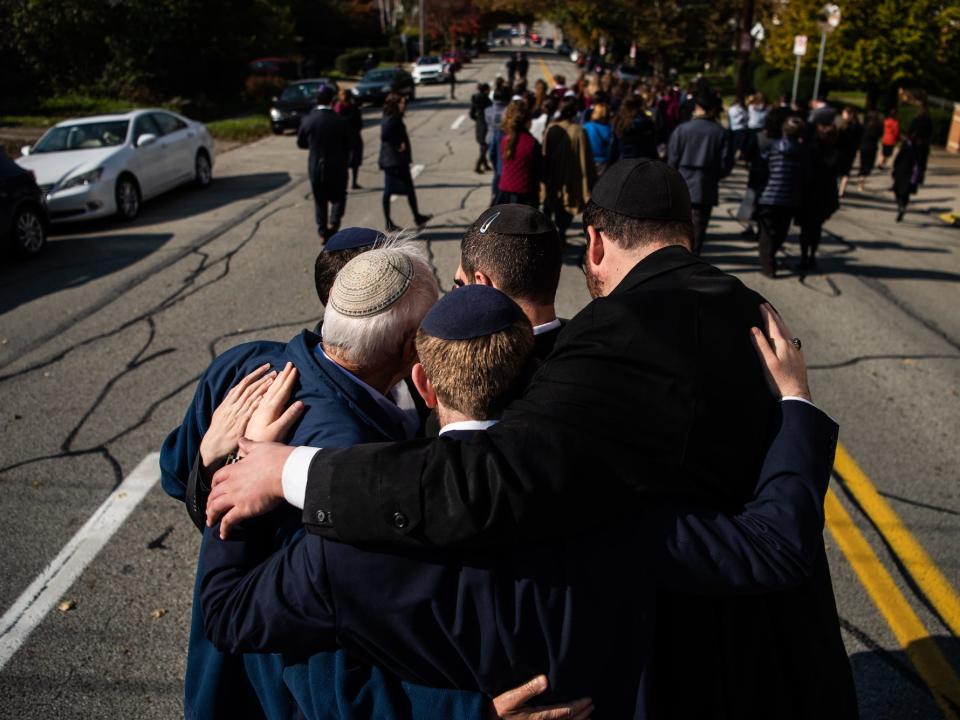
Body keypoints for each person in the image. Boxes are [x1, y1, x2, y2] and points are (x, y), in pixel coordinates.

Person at [206, 159, 856, 720]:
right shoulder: (615, 519)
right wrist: (796, 404)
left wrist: (254, 468)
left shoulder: (345, 544)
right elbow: (770, 547)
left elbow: (237, 618)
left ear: (423, 383)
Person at [160, 235, 495, 720]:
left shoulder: (245, 365)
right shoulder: (353, 464)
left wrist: (212, 464)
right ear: (410, 346)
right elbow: (331, 638)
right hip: (274, 692)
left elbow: (175, 473)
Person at [453, 204, 565, 360]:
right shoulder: (588, 344)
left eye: (459, 285)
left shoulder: (481, 369)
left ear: (482, 286)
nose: (454, 296)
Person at [667, 90, 734, 253]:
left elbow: (672, 160)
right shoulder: (721, 132)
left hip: (682, 181)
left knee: (677, 225)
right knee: (699, 228)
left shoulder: (682, 130)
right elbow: (726, 163)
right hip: (706, 183)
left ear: (697, 107)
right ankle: (693, 259)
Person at [297, 83, 350, 242]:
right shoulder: (339, 120)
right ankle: (334, 223)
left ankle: (322, 230)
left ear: (317, 99)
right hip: (337, 165)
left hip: (315, 166)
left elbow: (301, 143)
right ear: (332, 100)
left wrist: (314, 145)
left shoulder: (308, 119)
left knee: (320, 200)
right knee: (339, 196)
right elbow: (349, 143)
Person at [755, 116, 808, 277]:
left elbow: (761, 170)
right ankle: (771, 256)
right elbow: (806, 176)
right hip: (789, 198)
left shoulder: (771, 147)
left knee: (766, 231)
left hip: (768, 196)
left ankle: (768, 264)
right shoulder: (803, 151)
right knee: (781, 231)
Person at [541, 98, 596, 240]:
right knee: (567, 209)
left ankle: (551, 235)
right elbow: (587, 158)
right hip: (572, 177)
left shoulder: (552, 129)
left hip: (553, 177)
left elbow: (544, 154)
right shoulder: (579, 131)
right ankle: (561, 234)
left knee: (551, 205)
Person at [379, 92, 431, 231]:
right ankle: (391, 223)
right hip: (394, 162)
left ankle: (416, 217)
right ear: (395, 104)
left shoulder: (391, 117)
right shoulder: (392, 119)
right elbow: (385, 135)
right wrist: (398, 144)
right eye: (402, 103)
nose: (404, 106)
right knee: (391, 192)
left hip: (393, 161)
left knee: (401, 191)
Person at [797, 107, 840, 271]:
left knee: (806, 230)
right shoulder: (833, 151)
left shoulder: (812, 148)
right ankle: (811, 256)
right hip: (824, 196)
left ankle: (804, 257)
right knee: (815, 229)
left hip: (810, 194)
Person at [495, 101, 541, 207]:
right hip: (525, 193)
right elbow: (538, 170)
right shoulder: (531, 142)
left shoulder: (505, 139)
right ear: (527, 122)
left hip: (504, 190)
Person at [608, 94, 658, 163]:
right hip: (643, 163)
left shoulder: (618, 122)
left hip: (623, 163)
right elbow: (652, 147)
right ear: (640, 106)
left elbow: (613, 147)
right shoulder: (646, 122)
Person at [485, 86, 512, 202]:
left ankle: (494, 194)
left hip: (491, 139)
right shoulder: (507, 112)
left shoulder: (487, 110)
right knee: (504, 170)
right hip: (504, 140)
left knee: (496, 172)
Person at [334, 88, 363, 190]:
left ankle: (353, 182)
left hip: (352, 136)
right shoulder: (339, 107)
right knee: (346, 162)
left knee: (354, 161)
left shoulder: (352, 107)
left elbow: (359, 122)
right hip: (346, 137)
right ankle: (348, 182)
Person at [892, 132, 920, 222]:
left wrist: (894, 167)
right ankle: (903, 207)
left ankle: (901, 206)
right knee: (906, 193)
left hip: (901, 171)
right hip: (911, 174)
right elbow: (920, 162)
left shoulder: (905, 146)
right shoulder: (918, 148)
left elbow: (898, 158)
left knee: (897, 191)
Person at [836, 106, 863, 198]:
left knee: (837, 171)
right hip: (851, 152)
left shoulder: (841, 125)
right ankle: (841, 191)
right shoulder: (858, 126)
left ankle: (837, 188)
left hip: (840, 151)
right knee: (846, 172)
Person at [582, 102, 613, 173]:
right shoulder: (608, 129)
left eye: (594, 111)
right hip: (603, 162)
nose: (592, 112)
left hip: (588, 160)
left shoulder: (586, 126)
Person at [470, 82, 493, 174]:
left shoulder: (475, 99)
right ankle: (478, 165)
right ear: (486, 90)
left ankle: (485, 164)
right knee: (485, 146)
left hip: (479, 123)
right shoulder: (487, 101)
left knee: (482, 145)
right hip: (486, 124)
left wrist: (478, 119)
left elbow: (471, 114)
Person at [909, 103, 934, 185]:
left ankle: (911, 176)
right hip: (924, 144)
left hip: (915, 143)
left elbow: (910, 131)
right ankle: (919, 178)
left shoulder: (916, 120)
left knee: (913, 160)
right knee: (921, 162)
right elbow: (930, 133)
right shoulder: (929, 121)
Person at [858, 110, 883, 190]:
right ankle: (863, 178)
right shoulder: (878, 126)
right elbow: (880, 135)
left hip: (863, 146)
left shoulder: (864, 125)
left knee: (863, 163)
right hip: (872, 147)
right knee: (869, 165)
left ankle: (861, 178)